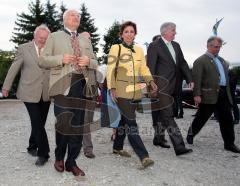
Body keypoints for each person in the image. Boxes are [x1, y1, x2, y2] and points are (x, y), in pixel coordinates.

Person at [39, 9, 98, 177]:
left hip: (82, 86)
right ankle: (59, 156)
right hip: (62, 86)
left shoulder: (84, 39)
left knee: (78, 127)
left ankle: (71, 162)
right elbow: (42, 59)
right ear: (64, 19)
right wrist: (60, 59)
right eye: (73, 15)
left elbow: (95, 61)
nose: (76, 17)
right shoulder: (54, 36)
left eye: (78, 16)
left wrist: (89, 61)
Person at [107, 21, 158, 168]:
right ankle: (144, 156)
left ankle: (117, 147)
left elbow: (144, 68)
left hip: (135, 92)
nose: (129, 34)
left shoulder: (139, 50)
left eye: (132, 31)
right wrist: (112, 88)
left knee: (124, 119)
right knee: (131, 123)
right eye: (126, 31)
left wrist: (150, 81)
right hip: (121, 90)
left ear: (135, 33)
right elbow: (111, 69)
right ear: (121, 34)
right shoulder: (116, 48)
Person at [2, 25, 51, 166]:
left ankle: (31, 146)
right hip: (28, 91)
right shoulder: (24, 48)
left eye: (45, 39)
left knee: (39, 123)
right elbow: (14, 67)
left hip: (46, 92)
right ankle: (44, 153)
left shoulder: (51, 49)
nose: (42, 41)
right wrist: (6, 86)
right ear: (35, 36)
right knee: (36, 121)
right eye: (40, 38)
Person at [186, 36, 240, 153]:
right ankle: (191, 134)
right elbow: (197, 79)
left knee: (227, 119)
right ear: (208, 46)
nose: (218, 49)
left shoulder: (222, 60)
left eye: (219, 47)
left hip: (223, 93)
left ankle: (229, 144)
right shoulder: (200, 61)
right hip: (208, 94)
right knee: (201, 118)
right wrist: (197, 94)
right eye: (216, 47)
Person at [147, 22, 193, 155]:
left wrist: (190, 79)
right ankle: (179, 146)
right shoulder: (154, 46)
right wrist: (152, 86)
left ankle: (159, 138)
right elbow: (150, 67)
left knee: (162, 114)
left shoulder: (176, 45)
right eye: (173, 30)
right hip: (161, 87)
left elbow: (183, 64)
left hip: (175, 86)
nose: (175, 32)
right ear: (164, 32)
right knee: (168, 115)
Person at [79, 31, 96, 159]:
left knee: (87, 121)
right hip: (76, 91)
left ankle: (84, 145)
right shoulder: (74, 51)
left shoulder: (92, 54)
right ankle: (87, 148)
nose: (89, 40)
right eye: (86, 38)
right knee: (81, 120)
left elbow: (95, 69)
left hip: (91, 91)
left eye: (90, 38)